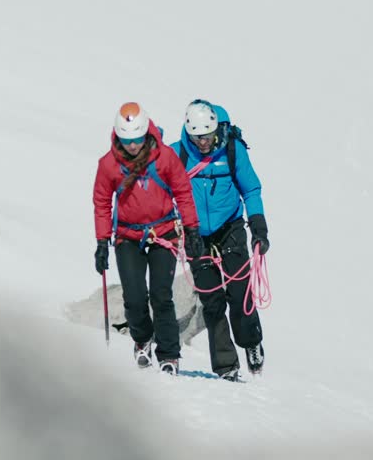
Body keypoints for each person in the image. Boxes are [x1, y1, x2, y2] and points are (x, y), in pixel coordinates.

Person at [92, 102, 202, 374]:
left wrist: (192, 230)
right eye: (127, 141)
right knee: (134, 296)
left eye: (138, 140)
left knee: (161, 295)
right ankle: (142, 340)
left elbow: (183, 193)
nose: (133, 146)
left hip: (162, 233)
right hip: (127, 237)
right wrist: (102, 242)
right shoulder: (108, 165)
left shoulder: (165, 158)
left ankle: (169, 354)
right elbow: (102, 202)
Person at [170, 99, 269, 381]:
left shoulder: (232, 149)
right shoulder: (176, 155)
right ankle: (226, 366)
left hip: (231, 227)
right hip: (194, 234)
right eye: (197, 137)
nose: (203, 143)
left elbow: (251, 189)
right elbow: (162, 193)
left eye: (208, 136)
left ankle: (251, 343)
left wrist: (259, 228)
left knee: (239, 293)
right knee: (211, 301)